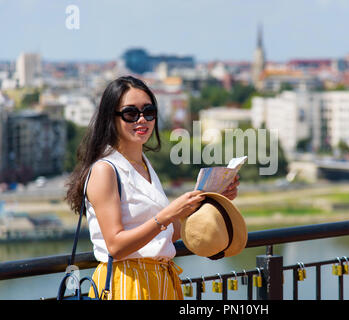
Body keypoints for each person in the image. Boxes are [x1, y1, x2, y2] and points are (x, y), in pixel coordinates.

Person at [65, 75, 239, 300]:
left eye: (149, 112)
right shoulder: (105, 169)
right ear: (111, 118)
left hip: (160, 280)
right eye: (130, 113)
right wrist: (168, 214)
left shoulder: (144, 165)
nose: (142, 120)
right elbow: (115, 246)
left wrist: (211, 198)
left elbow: (166, 233)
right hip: (128, 282)